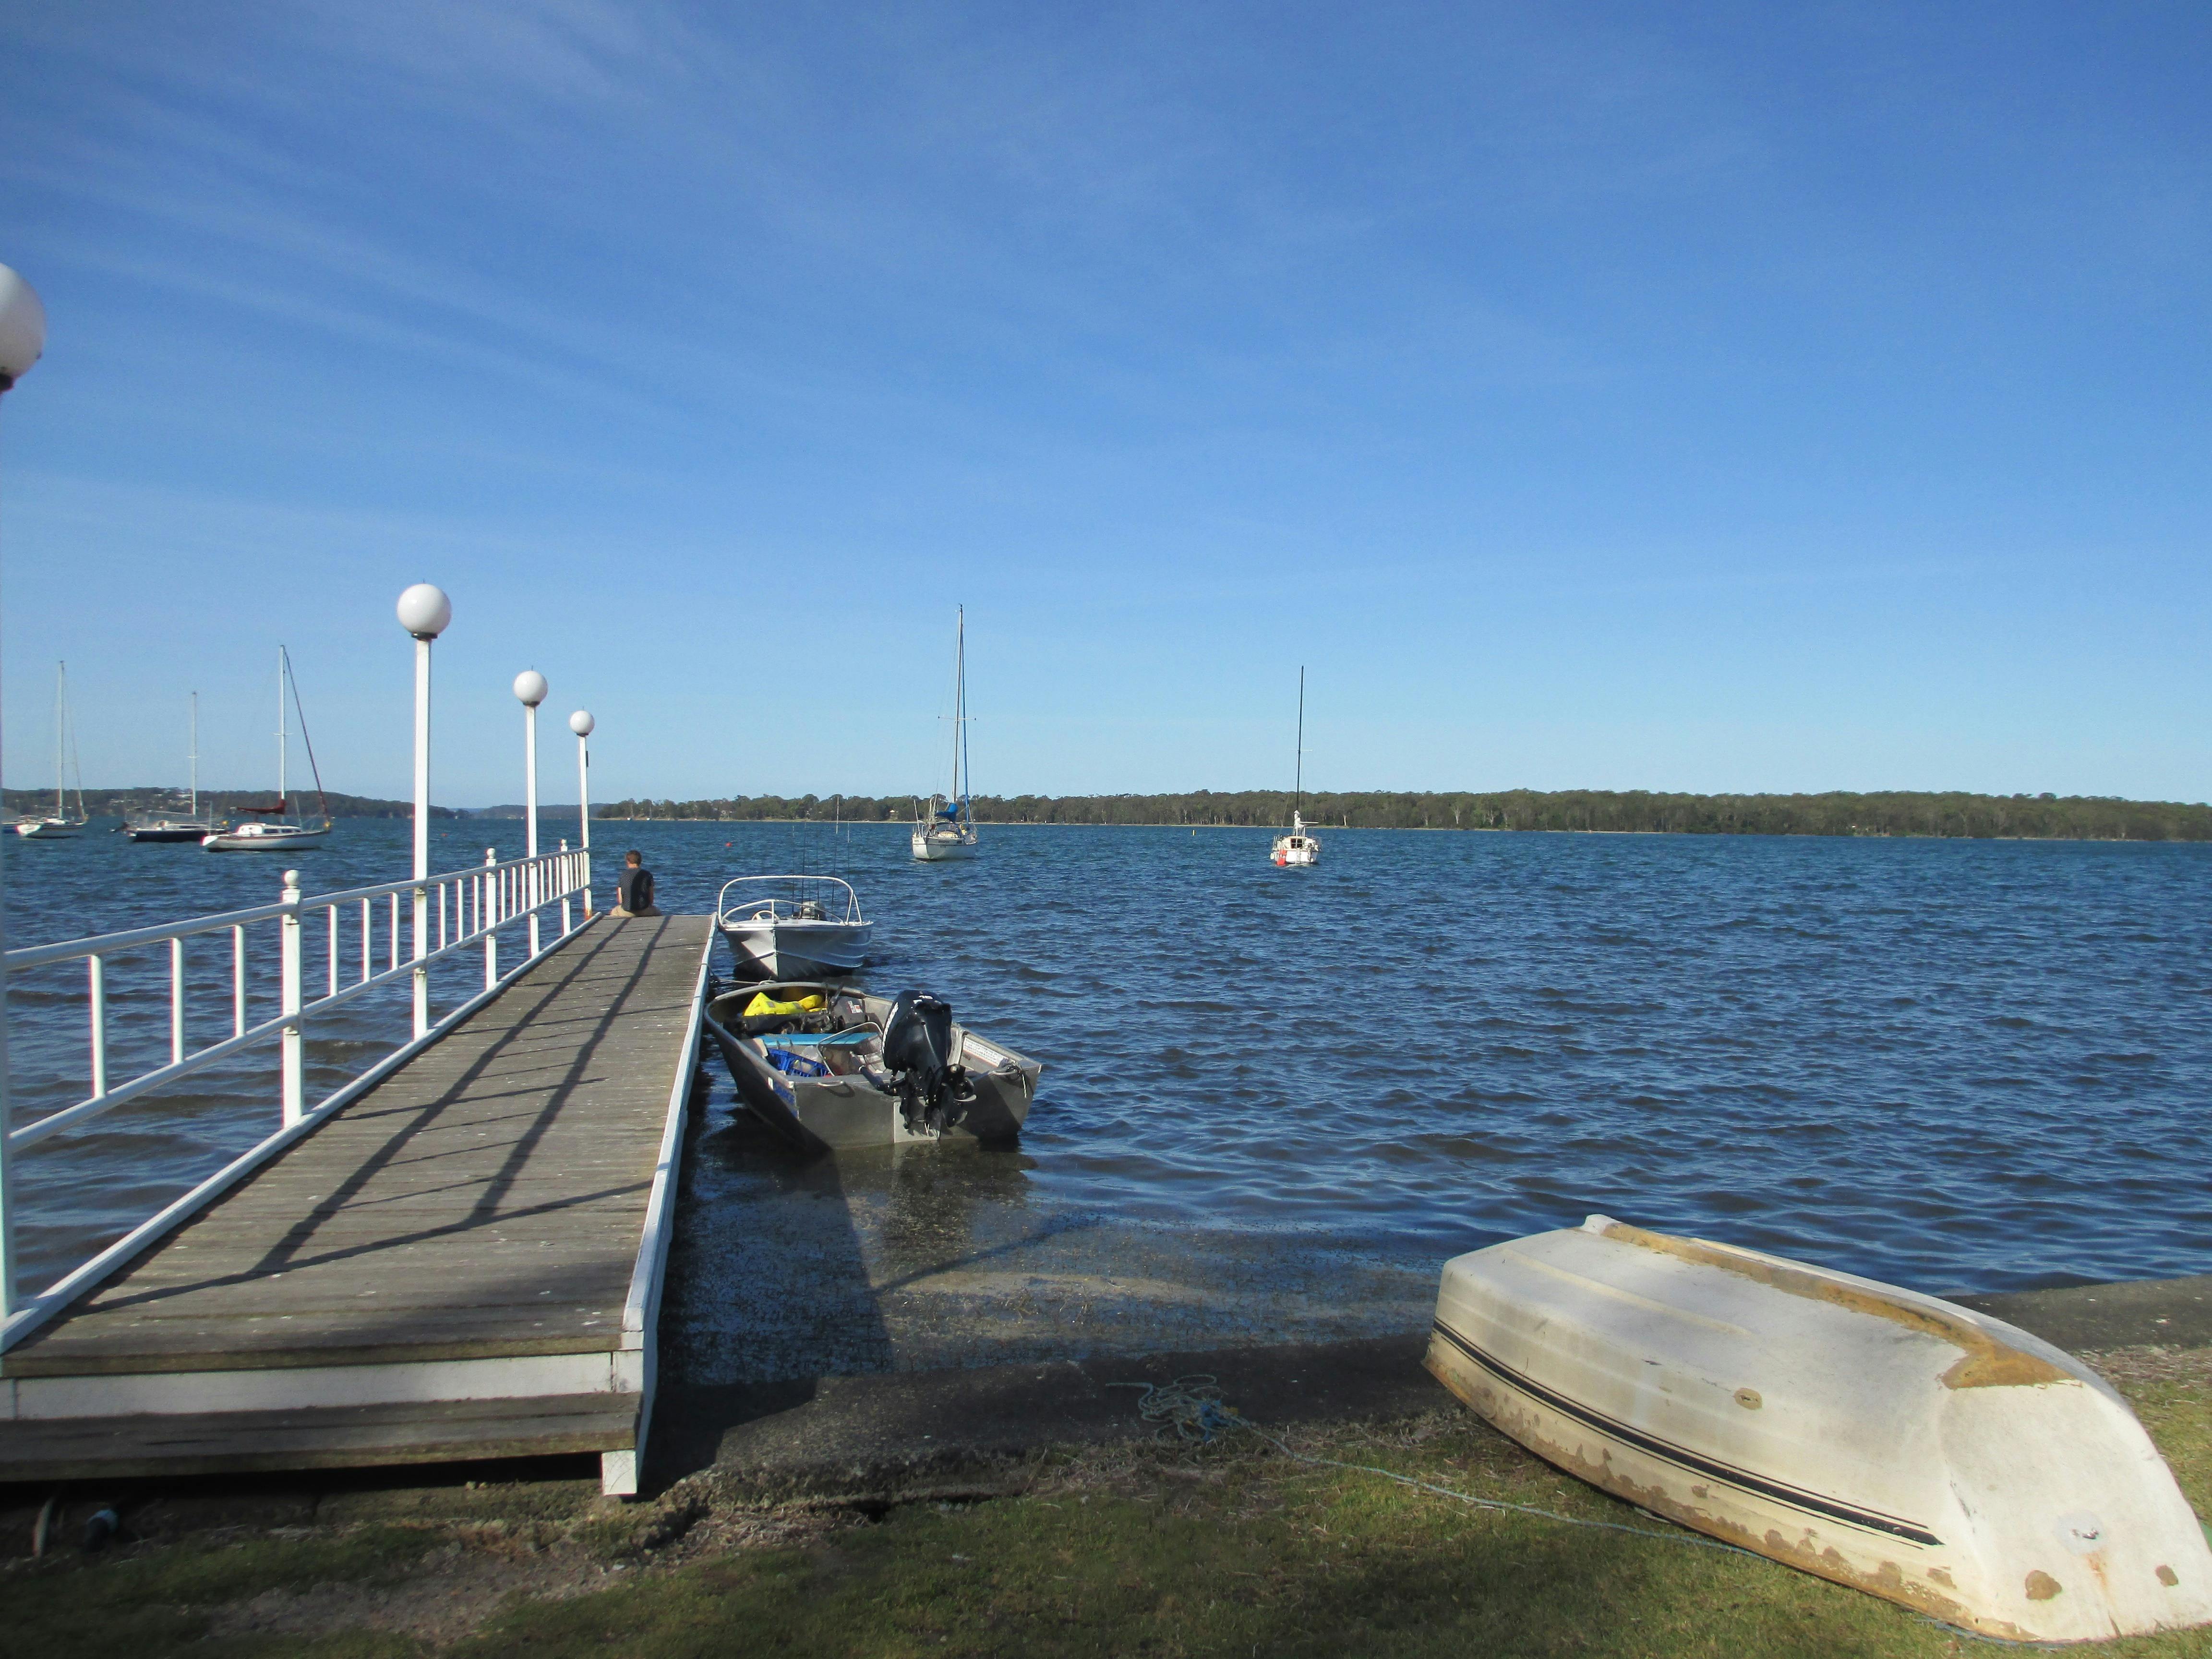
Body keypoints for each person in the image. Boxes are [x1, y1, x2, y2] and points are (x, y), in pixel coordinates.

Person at [612, 849, 660, 917]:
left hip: (627, 912)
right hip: (645, 911)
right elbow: (651, 899)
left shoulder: (623, 875)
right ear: (640, 861)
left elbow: (620, 900)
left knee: (614, 912)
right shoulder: (648, 875)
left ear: (628, 861)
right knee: (658, 911)